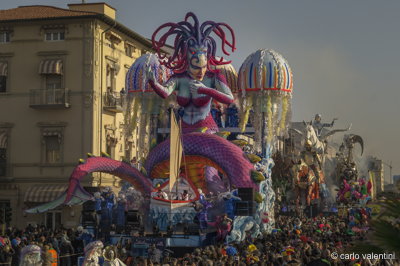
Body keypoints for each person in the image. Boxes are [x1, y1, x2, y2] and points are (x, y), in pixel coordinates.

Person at [148, 12, 235, 134]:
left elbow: (229, 99)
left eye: (203, 68)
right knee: (159, 152)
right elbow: (165, 92)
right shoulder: (178, 78)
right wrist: (153, 82)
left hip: (208, 130)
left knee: (232, 153)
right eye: (196, 69)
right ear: (186, 57)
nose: (201, 73)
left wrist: (205, 89)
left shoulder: (214, 77)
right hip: (184, 131)